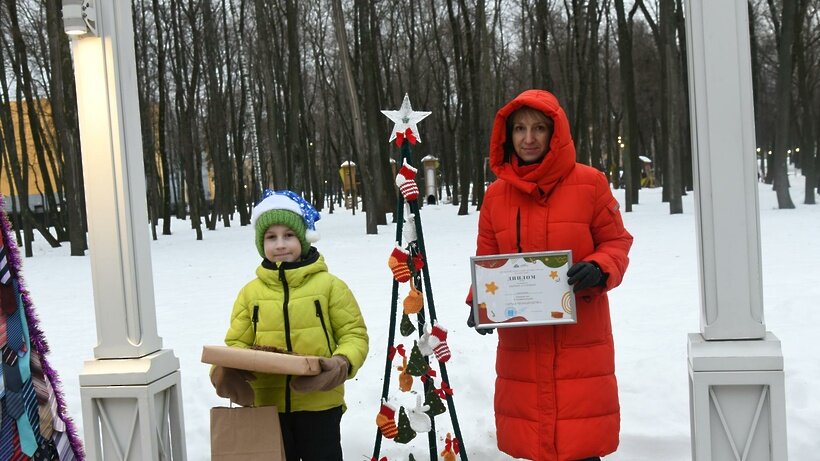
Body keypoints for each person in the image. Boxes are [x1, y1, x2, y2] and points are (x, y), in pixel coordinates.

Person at [467, 89, 633, 461]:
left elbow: (616, 242)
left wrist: (598, 268)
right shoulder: (496, 197)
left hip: (580, 341)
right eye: (520, 129)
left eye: (539, 128)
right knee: (533, 443)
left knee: (581, 443)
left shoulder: (590, 183)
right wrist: (480, 304)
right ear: (507, 136)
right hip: (522, 347)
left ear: (555, 133)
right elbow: (490, 258)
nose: (529, 138)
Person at [211, 189, 369, 460]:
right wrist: (228, 368)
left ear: (304, 239)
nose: (280, 244)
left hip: (320, 405)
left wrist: (341, 363)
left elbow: (354, 335)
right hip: (268, 408)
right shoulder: (250, 294)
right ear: (261, 244)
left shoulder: (331, 286)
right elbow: (237, 343)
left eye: (289, 235)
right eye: (271, 237)